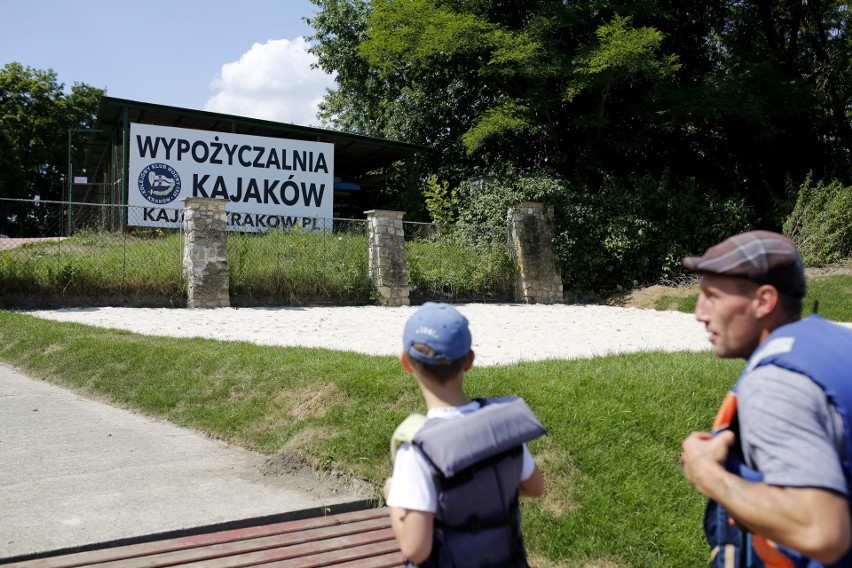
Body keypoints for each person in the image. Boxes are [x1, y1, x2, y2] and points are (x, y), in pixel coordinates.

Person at [680, 230, 852, 567]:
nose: (699, 313)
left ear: (764, 301)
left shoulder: (773, 386)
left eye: (712, 296)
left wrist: (707, 474)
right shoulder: (831, 342)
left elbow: (822, 532)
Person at [383, 301, 546, 567]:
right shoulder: (500, 427)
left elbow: (415, 548)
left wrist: (394, 498)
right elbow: (535, 487)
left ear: (406, 363)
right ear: (469, 361)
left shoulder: (418, 450)